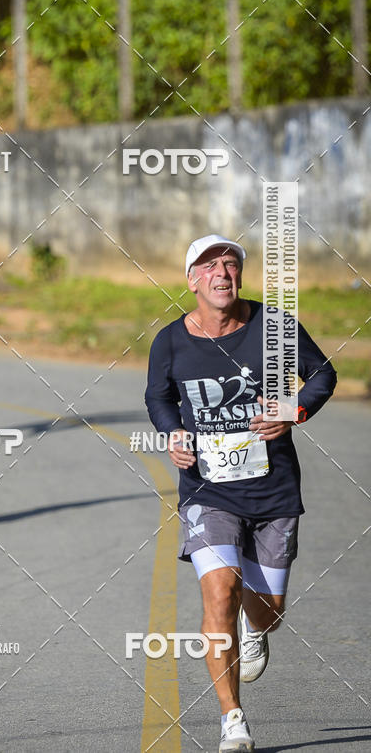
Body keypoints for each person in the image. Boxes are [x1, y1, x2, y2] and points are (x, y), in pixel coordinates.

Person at [145, 234, 336, 752]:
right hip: (208, 491)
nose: (221, 274)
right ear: (192, 281)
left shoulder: (274, 327)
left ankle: (258, 630)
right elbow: (158, 396)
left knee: (268, 610)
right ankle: (233, 719)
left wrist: (291, 411)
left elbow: (322, 374)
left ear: (241, 278)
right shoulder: (169, 341)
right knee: (219, 591)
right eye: (209, 267)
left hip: (273, 489)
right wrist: (173, 433)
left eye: (230, 266)